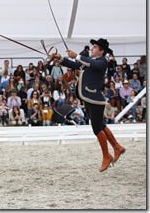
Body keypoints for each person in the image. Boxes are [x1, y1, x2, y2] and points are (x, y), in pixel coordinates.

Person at [53, 38, 125, 172]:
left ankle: (106, 156)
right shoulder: (91, 62)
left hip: (94, 98)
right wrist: (61, 59)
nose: (92, 49)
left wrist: (77, 56)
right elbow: (75, 65)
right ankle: (117, 147)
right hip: (89, 97)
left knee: (96, 128)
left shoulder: (102, 61)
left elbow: (89, 63)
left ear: (101, 51)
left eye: (95, 47)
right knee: (101, 125)